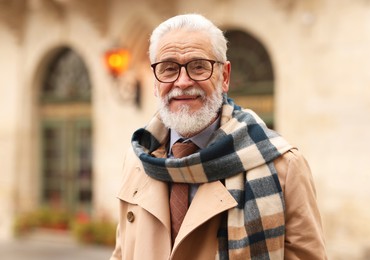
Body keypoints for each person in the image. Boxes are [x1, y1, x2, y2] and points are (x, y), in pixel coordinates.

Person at [110, 13, 327, 260]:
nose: (182, 82)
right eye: (169, 69)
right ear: (154, 81)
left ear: (224, 76)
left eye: (198, 66)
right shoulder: (138, 158)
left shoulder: (284, 166)